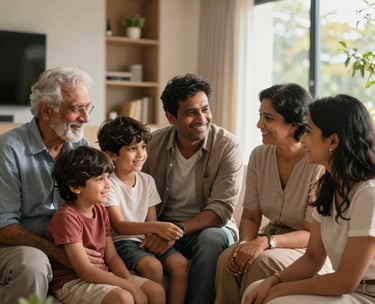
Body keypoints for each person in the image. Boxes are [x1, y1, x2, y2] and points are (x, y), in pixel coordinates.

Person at [242, 94, 375, 304]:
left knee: (277, 301)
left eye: (309, 132)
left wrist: (282, 290)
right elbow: (313, 258)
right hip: (347, 290)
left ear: (333, 141)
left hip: (367, 294)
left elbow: (345, 281)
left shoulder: (368, 195)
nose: (302, 139)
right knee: (257, 288)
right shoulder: (329, 187)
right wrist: (274, 281)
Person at [215, 83, 333, 304]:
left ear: (293, 125)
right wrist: (245, 244)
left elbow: (311, 234)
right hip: (268, 240)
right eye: (260, 116)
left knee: (259, 263)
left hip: (306, 250)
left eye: (268, 118)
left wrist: (264, 243)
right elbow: (250, 216)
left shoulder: (317, 165)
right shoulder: (259, 156)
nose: (259, 124)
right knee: (227, 259)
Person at [141, 73, 243, 304]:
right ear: (170, 117)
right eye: (191, 112)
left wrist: (175, 231)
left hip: (210, 229)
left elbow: (221, 209)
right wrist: (156, 230)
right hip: (162, 225)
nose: (202, 118)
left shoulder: (227, 146)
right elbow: (137, 195)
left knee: (211, 239)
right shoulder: (151, 145)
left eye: (205, 109)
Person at [0, 67, 97, 303]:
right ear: (45, 110)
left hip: (68, 242)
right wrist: (59, 252)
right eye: (75, 109)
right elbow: (4, 227)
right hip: (17, 245)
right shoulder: (9, 149)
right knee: (33, 264)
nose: (86, 118)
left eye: (87, 107)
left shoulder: (80, 145)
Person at [47, 146, 165, 304]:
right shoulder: (67, 217)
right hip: (72, 281)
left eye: (108, 177)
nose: (108, 185)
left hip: (100, 274)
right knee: (123, 297)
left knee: (156, 291)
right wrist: (129, 287)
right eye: (99, 179)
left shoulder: (101, 211)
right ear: (76, 187)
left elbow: (112, 256)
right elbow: (85, 270)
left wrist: (129, 283)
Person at [97, 116, 189, 304]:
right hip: (123, 243)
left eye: (143, 147)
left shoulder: (147, 181)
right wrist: (157, 228)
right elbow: (120, 226)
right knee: (153, 266)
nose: (141, 154)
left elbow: (150, 222)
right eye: (132, 149)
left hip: (144, 238)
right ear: (112, 155)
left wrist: (156, 232)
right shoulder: (109, 184)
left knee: (180, 264)